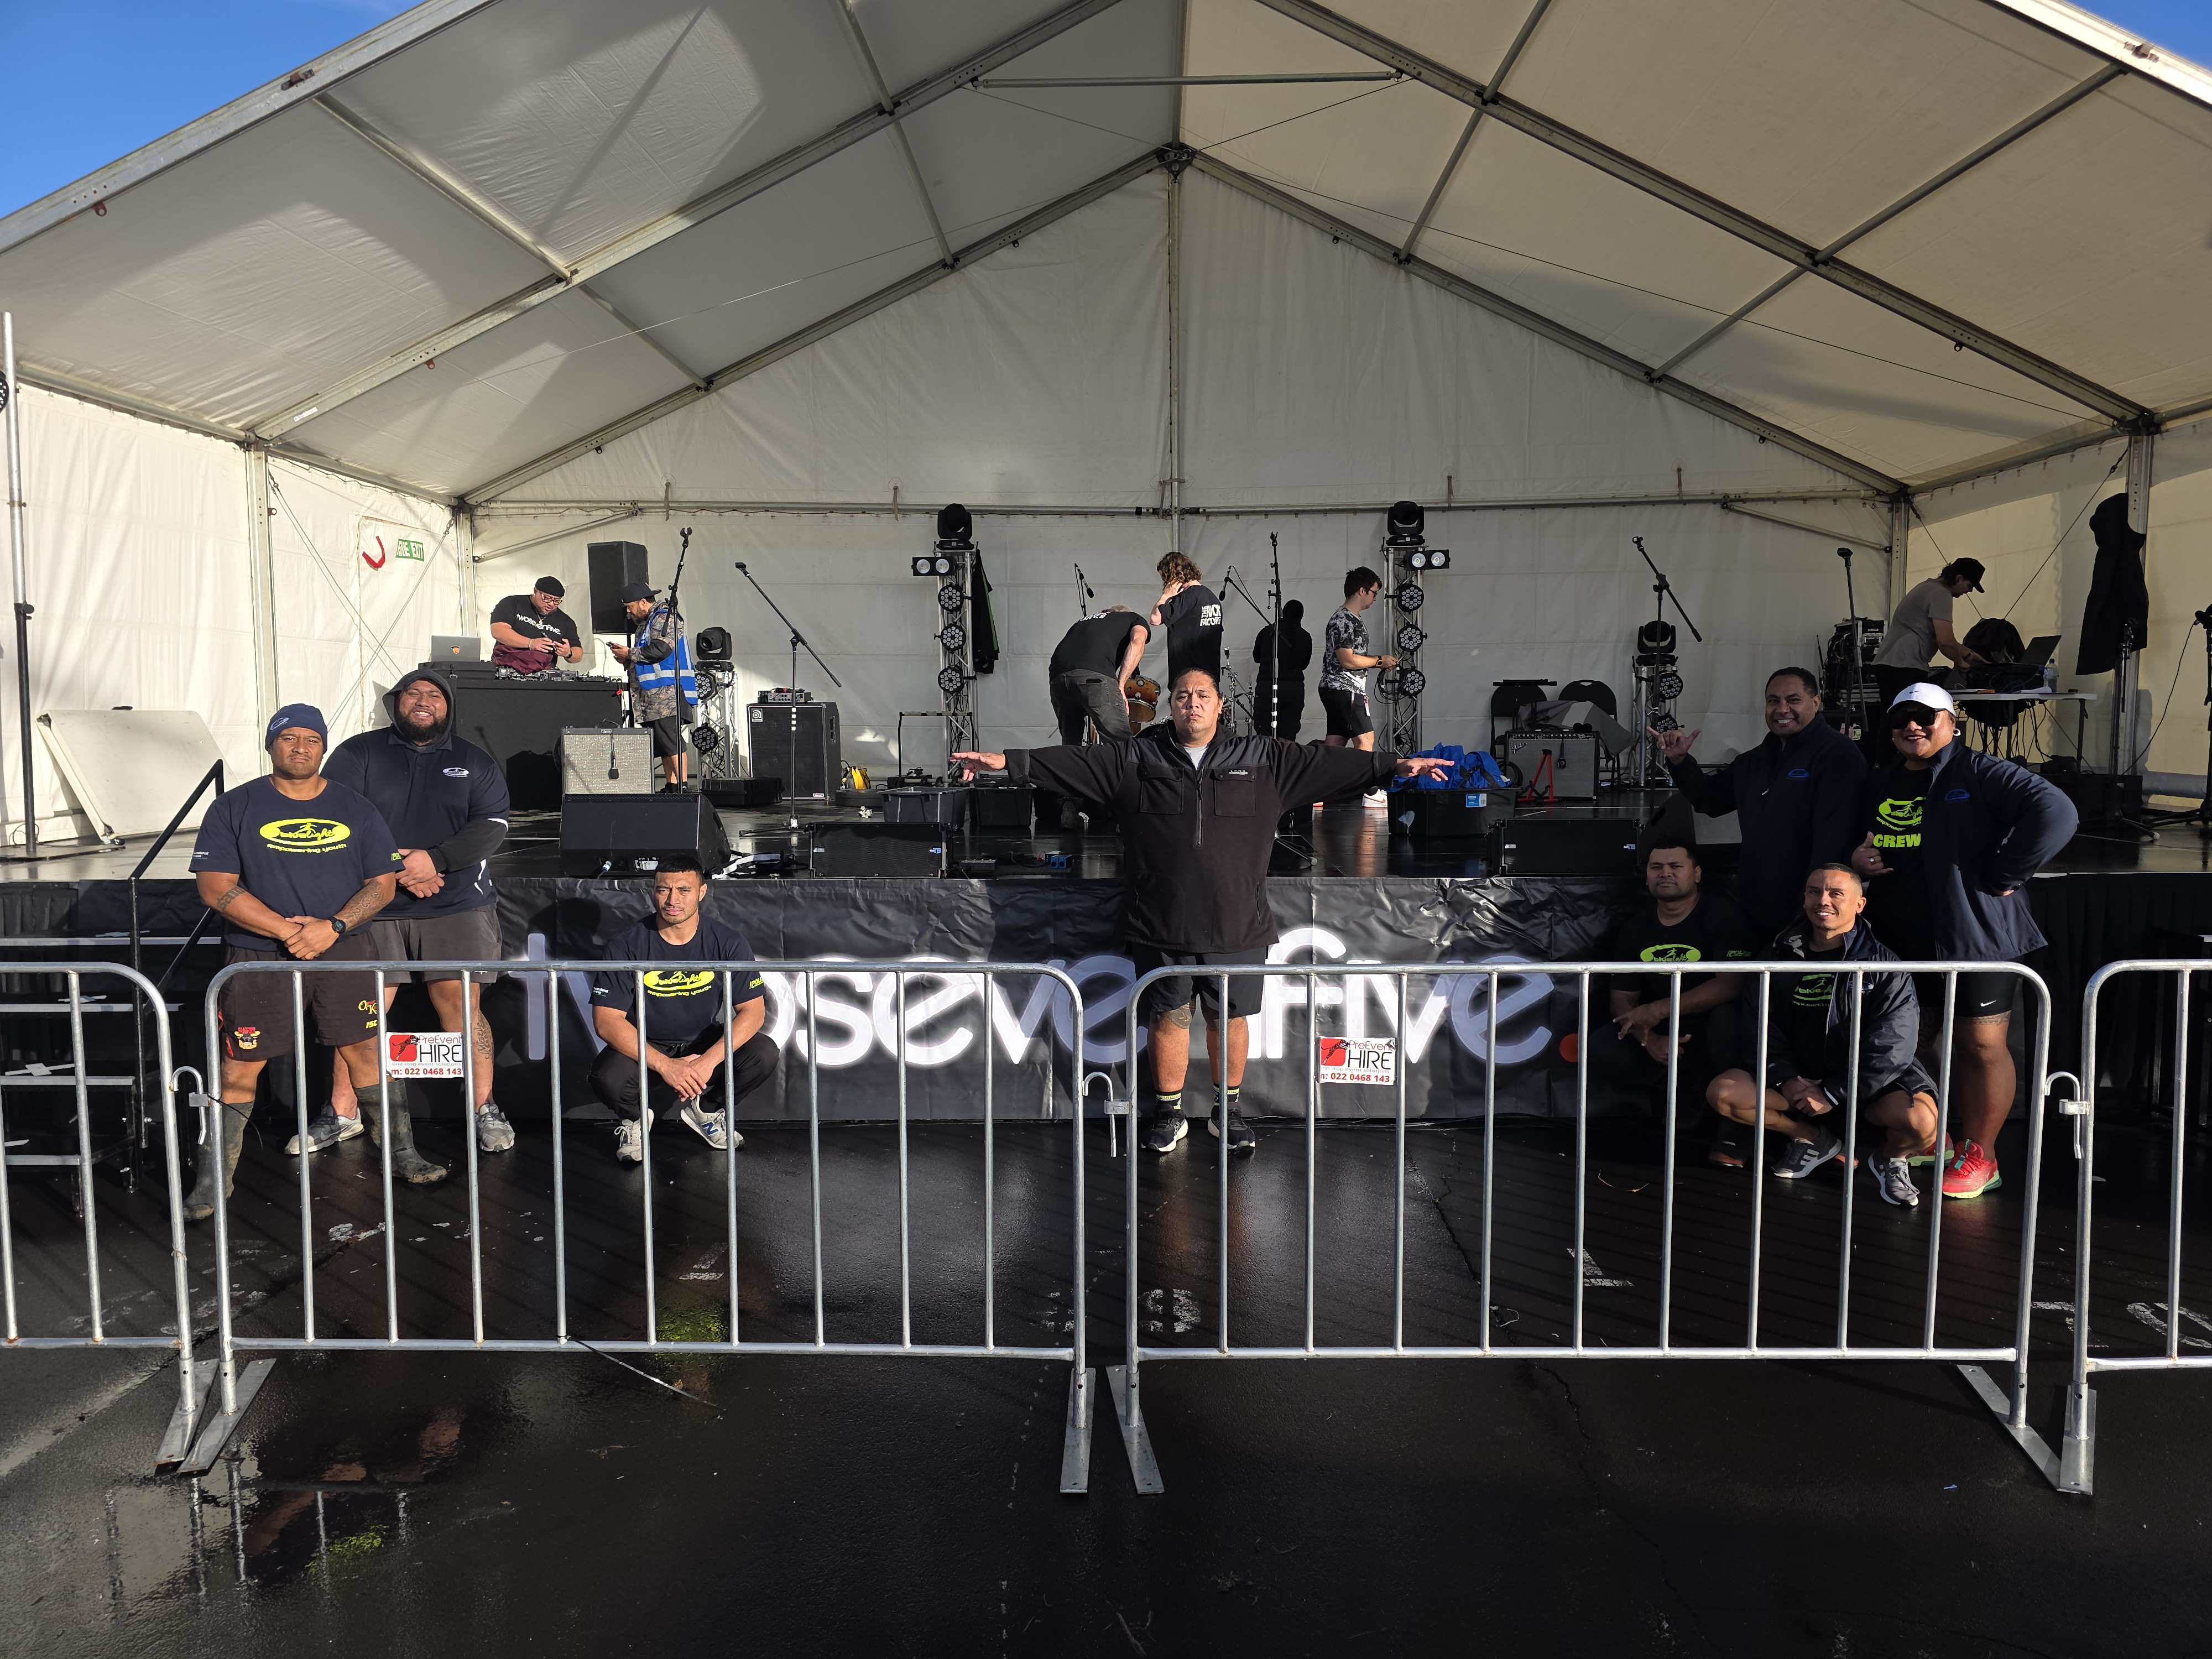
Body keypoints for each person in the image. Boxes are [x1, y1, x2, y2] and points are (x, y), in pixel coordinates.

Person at [952, 669, 1450, 1156]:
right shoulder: (1137, 757)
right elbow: (1074, 764)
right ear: (1172, 704)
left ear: (1219, 705)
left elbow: (1331, 764)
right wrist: (1008, 762)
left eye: (1203, 694)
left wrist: (1394, 766)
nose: (1193, 701)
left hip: (1239, 922)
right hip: (1161, 920)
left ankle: (1227, 1113)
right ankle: (1168, 1114)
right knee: (1168, 1016)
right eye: (1184, 694)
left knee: (1228, 1018)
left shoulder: (1264, 757)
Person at [182, 705, 433, 1221]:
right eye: (288, 738)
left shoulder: (357, 808)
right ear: (271, 745)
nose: (300, 747)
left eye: (311, 739)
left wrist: (333, 927)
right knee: (239, 1063)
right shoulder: (236, 806)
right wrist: (290, 931)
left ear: (323, 746)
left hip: (344, 951)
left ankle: (403, 1154)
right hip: (258, 955)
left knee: (367, 1052)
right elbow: (214, 888)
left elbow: (383, 884)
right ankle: (212, 1182)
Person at [1850, 682, 2078, 1200]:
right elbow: (1863, 838)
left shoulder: (1980, 771)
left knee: (1980, 1046)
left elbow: (2058, 813)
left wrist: (2008, 871)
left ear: (1952, 722)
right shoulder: (1882, 778)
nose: (1914, 726)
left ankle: (1982, 1154)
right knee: (1908, 1041)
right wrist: (1856, 860)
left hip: (1977, 940)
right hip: (1899, 940)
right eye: (1903, 718)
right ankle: (1931, 1139)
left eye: (1926, 717)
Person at [316, 667, 515, 1157]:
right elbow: (338, 817)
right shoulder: (358, 753)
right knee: (358, 1013)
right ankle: (343, 1113)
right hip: (371, 905)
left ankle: (483, 1109)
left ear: (448, 708)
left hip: (458, 904)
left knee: (461, 1008)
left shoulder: (474, 761)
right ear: (396, 703)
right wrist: (402, 866)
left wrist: (437, 861)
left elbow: (491, 825)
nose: (423, 701)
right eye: (413, 693)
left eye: (435, 695)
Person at [1706, 865, 1939, 1204]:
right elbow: (1761, 1026)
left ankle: (1891, 1159)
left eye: (1836, 893)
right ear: (1804, 899)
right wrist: (1785, 1078)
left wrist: (1834, 1091)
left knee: (1922, 1122)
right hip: (1797, 1081)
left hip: (1866, 1087)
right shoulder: (1776, 955)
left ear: (1859, 904)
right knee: (1724, 1094)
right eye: (1814, 891)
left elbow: (1894, 1046)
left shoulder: (1885, 965)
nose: (1823, 900)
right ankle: (1812, 1139)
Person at [588, 853, 778, 1164]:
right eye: (664, 889)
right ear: (653, 891)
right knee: (607, 1076)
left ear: (701, 892)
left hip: (701, 1042)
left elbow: (753, 1012)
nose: (672, 899)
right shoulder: (626, 945)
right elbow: (607, 1022)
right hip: (648, 1044)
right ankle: (635, 1121)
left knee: (763, 1053)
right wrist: (666, 1065)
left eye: (684, 890)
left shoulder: (727, 941)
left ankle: (708, 1111)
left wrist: (705, 1063)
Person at [1654, 667, 1866, 938]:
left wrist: (1814, 903)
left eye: (1793, 700)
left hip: (1809, 913)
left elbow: (1833, 841)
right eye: (1773, 701)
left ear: (1816, 702)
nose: (1782, 709)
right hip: (1758, 906)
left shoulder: (1838, 756)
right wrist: (1681, 762)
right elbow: (1711, 800)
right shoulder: (1756, 760)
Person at [1594, 841, 1756, 1164]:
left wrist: (1658, 1010)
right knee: (1601, 1045)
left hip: (1713, 1023)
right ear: (1647, 878)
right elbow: (1622, 1000)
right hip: (1663, 1030)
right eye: (1657, 868)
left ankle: (1737, 1128)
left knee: (1729, 1022)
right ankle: (1676, 1091)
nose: (1665, 873)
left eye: (1676, 866)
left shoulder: (1725, 917)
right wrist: (1648, 1039)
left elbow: (1731, 984)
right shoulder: (1635, 928)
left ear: (1696, 874)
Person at [607, 579, 697, 792]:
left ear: (642, 602)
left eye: (630, 607)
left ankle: (683, 787)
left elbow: (661, 650)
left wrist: (630, 653)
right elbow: (648, 658)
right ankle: (672, 786)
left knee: (672, 741)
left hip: (668, 693)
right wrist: (627, 659)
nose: (629, 613)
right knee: (664, 745)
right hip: (652, 696)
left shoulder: (664, 618)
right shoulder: (646, 625)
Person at [1320, 567, 1399, 806]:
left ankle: (1317, 790)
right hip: (1345, 688)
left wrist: (1376, 664)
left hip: (1339, 688)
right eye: (1374, 593)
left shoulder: (1350, 619)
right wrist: (1379, 661)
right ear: (1362, 590)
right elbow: (1347, 658)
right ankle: (1370, 790)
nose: (1375, 598)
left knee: (1336, 740)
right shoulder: (1344, 619)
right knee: (1365, 738)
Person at [1872, 559, 1987, 716]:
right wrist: (1962, 664)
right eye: (1970, 585)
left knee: (1891, 724)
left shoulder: (1927, 587)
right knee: (1908, 721)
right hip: (1905, 666)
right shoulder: (1941, 594)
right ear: (1959, 578)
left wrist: (1970, 655)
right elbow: (1945, 642)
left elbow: (1940, 636)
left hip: (1890, 664)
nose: (1969, 591)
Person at [1149, 552, 1223, 688]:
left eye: (1165, 578)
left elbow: (1155, 618)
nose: (1165, 583)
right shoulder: (1212, 598)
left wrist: (1166, 595)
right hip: (1210, 677)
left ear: (1173, 576)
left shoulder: (1187, 598)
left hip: (1187, 677)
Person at [488, 576, 583, 674]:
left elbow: (578, 654)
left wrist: (568, 653)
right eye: (547, 598)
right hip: (509, 669)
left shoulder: (565, 621)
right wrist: (531, 643)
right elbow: (498, 631)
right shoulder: (513, 603)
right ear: (536, 591)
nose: (551, 604)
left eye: (557, 601)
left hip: (543, 675)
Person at [1251, 599, 1311, 740]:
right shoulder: (1306, 637)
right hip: (1293, 689)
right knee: (1288, 737)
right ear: (1301, 617)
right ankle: (1286, 762)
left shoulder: (1267, 632)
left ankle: (1265, 761)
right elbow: (1304, 665)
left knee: (1264, 735)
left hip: (1268, 686)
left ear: (1283, 614)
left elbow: (1256, 657)